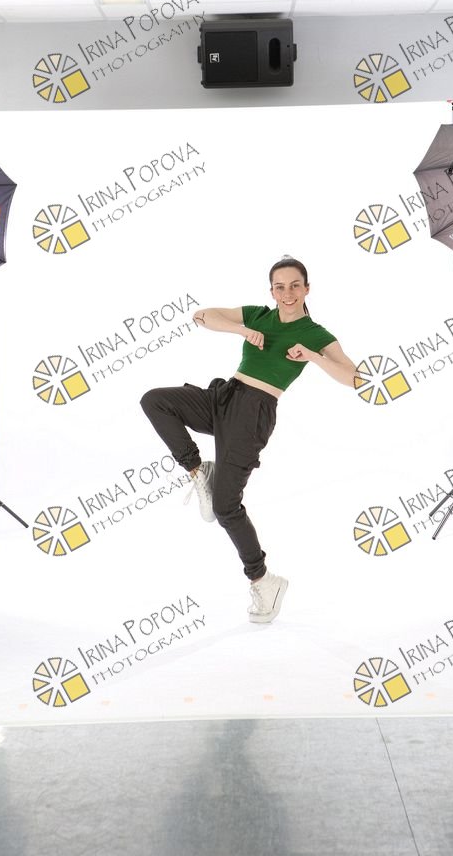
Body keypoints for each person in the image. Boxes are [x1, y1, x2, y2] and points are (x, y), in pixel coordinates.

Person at [140, 256, 358, 624]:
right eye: (279, 286)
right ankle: (199, 470)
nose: (287, 293)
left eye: (294, 285)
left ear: (307, 289)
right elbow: (202, 316)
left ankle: (263, 580)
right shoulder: (258, 315)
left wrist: (312, 356)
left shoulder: (315, 333)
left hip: (253, 414)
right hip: (224, 397)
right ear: (271, 291)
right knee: (155, 401)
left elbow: (354, 378)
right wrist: (241, 330)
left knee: (225, 507)